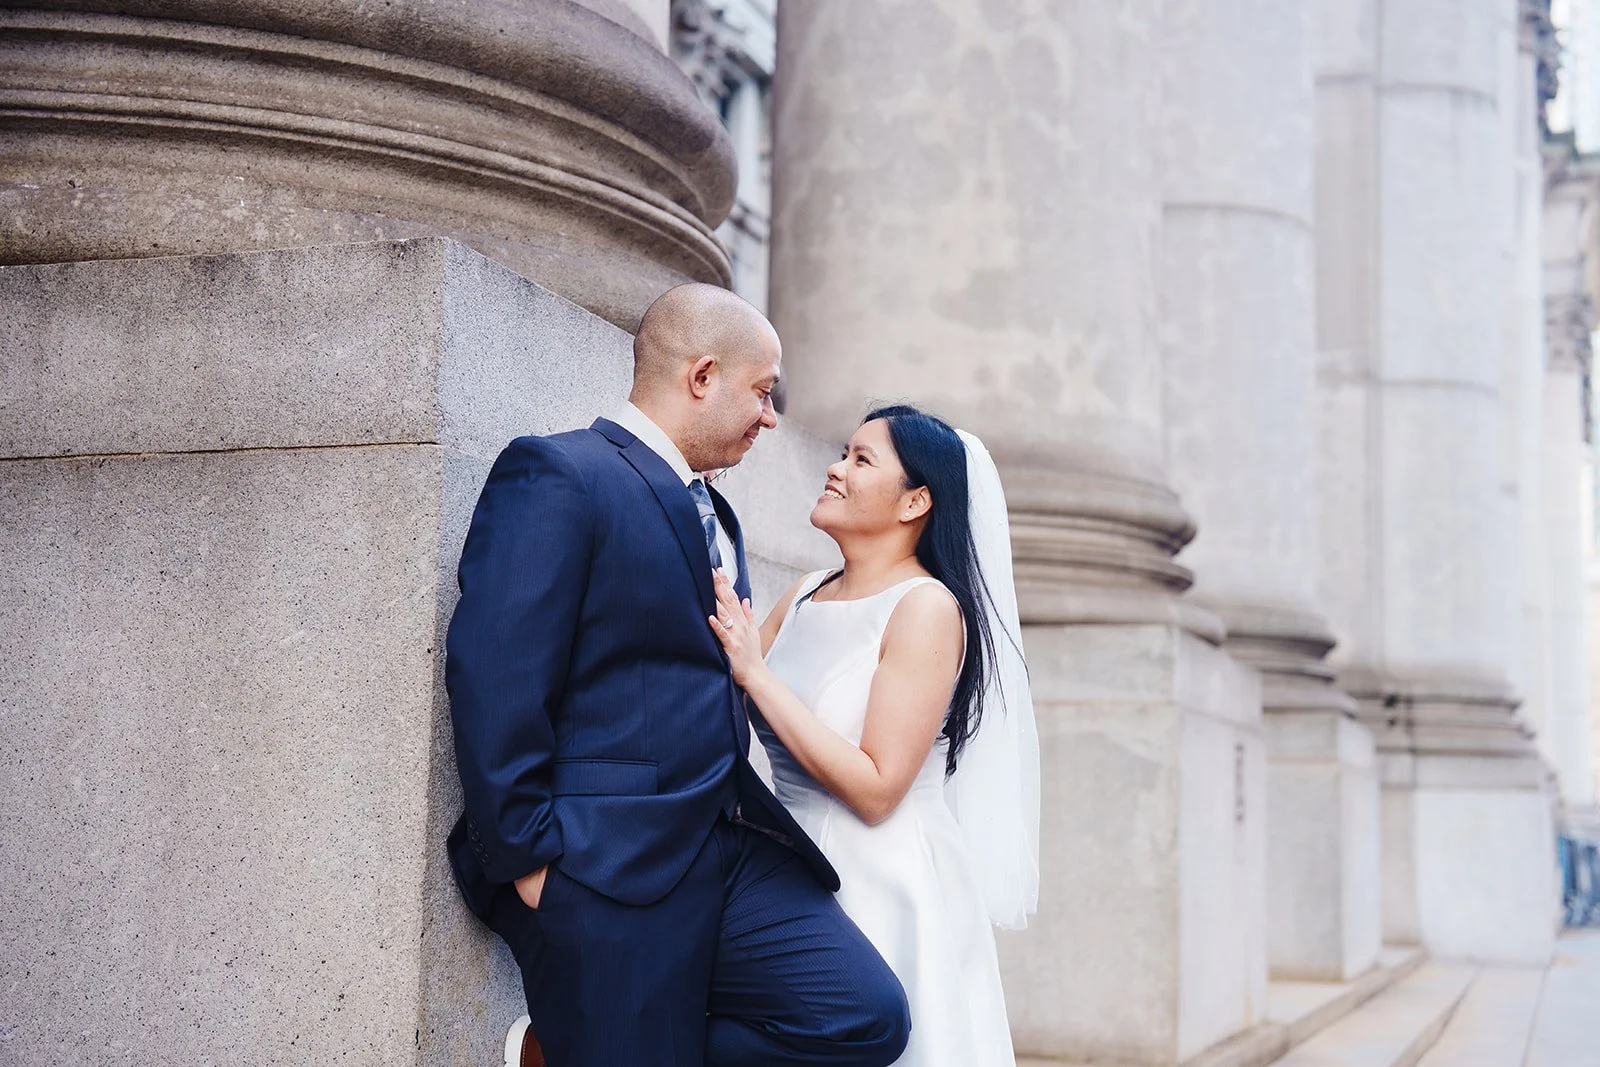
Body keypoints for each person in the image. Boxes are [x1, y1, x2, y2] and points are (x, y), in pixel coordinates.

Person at [444, 284, 911, 1067]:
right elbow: (496, 678)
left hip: (728, 850)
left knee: (864, 1015)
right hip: (601, 860)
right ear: (702, 376)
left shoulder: (718, 515)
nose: (771, 417)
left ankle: (555, 1053)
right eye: (762, 392)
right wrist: (529, 864)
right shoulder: (560, 472)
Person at [709, 404, 1041, 1067]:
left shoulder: (926, 609)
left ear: (915, 500)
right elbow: (722, 689)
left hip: (885, 876)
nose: (834, 469)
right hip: (786, 865)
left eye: (861, 459)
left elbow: (879, 786)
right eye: (842, 453)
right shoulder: (804, 593)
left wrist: (755, 672)